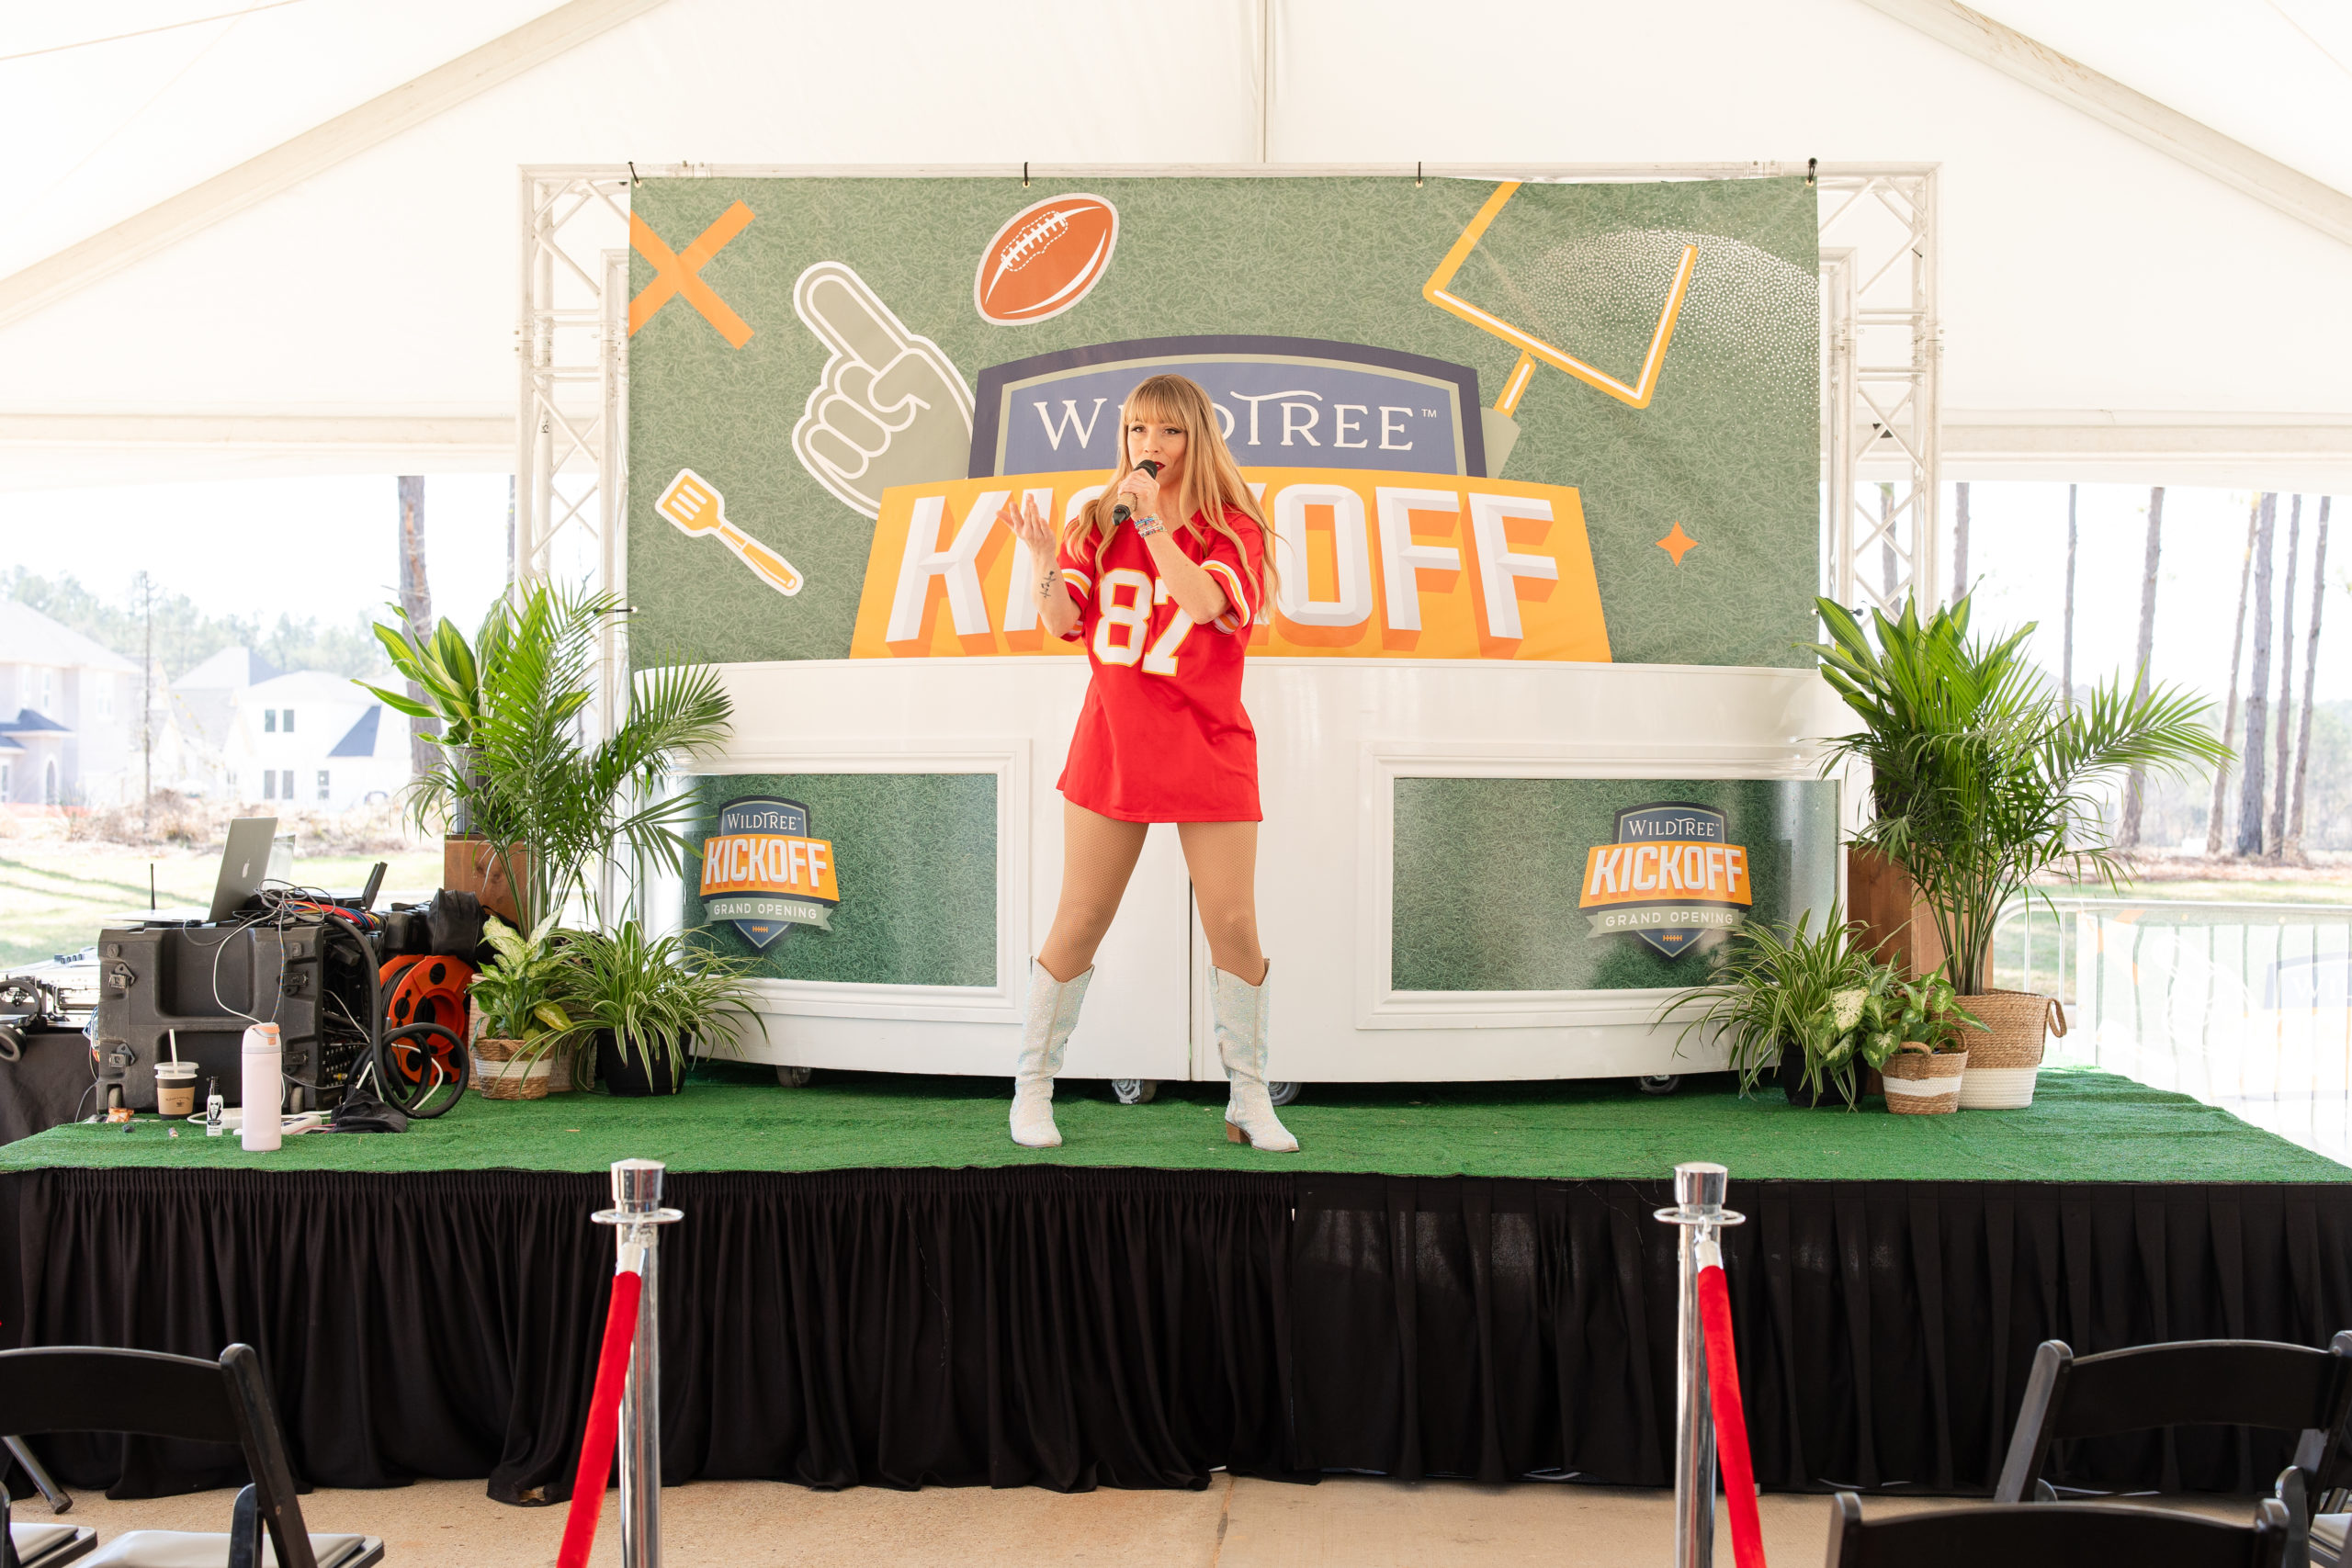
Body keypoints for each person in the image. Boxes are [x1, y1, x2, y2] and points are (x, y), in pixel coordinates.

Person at [994, 374, 1296, 1153]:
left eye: (1167, 432)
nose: (1148, 446)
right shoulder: (1098, 520)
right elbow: (1063, 618)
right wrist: (1042, 558)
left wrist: (1155, 522)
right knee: (1081, 917)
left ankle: (1249, 1096)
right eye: (1136, 430)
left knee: (1234, 922)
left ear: (1198, 440)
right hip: (1117, 739)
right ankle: (1032, 1087)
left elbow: (1202, 604)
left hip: (1206, 740)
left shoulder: (1234, 528)